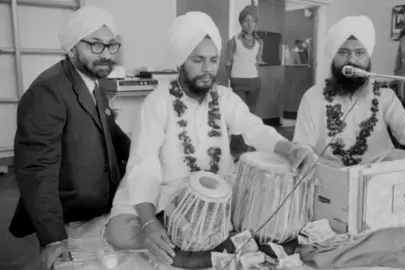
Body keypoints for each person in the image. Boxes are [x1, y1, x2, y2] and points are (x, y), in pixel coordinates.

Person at [103, 12, 315, 265]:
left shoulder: (224, 98)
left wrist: (289, 149)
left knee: (264, 214)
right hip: (166, 193)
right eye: (198, 60)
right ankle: (211, 248)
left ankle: (189, 251)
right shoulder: (158, 102)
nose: (207, 69)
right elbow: (144, 163)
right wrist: (148, 222)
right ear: (181, 61)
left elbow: (255, 129)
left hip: (216, 194)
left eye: (213, 60)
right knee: (119, 231)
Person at [10, 6, 130, 270]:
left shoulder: (90, 81)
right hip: (68, 219)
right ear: (72, 47)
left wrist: (146, 161)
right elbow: (36, 171)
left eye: (112, 46)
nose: (107, 55)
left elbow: (112, 132)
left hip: (101, 212)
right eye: (96, 45)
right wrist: (53, 240)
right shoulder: (47, 92)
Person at [293, 15, 405, 168]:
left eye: (360, 52)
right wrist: (303, 153)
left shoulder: (383, 95)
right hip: (330, 178)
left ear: (368, 57)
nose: (352, 60)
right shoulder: (312, 97)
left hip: (378, 176)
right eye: (343, 52)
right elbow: (302, 144)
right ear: (332, 58)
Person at [225, 5, 264, 159]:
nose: (249, 24)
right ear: (241, 22)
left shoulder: (260, 42)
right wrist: (233, 79)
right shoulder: (234, 41)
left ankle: (248, 149)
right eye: (246, 20)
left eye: (253, 21)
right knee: (238, 118)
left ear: (256, 24)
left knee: (251, 117)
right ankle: (236, 151)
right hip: (238, 83)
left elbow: (257, 62)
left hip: (254, 82)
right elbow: (227, 63)